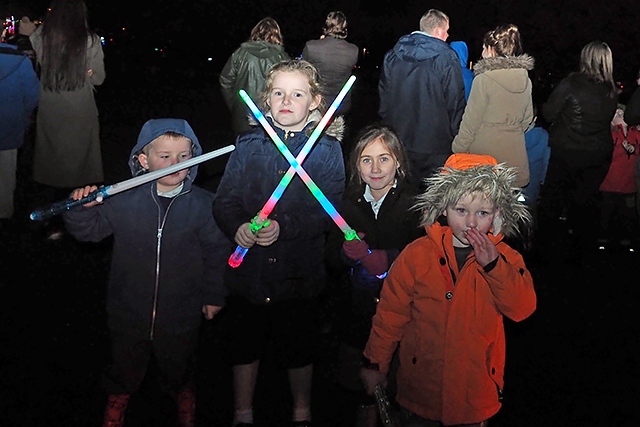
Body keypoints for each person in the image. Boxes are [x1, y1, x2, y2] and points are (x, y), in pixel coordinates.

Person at [62, 118, 231, 427]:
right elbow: (90, 232)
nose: (175, 163)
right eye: (164, 156)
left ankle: (182, 393)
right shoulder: (124, 200)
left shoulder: (206, 206)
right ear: (143, 160)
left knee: (178, 361)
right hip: (128, 306)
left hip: (182, 309)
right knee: (125, 361)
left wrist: (214, 293)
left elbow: (217, 253)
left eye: (183, 156)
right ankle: (119, 396)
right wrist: (79, 211)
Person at [213, 59, 345, 427]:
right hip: (249, 271)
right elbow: (224, 200)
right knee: (244, 344)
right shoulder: (248, 144)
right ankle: (242, 411)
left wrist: (284, 226)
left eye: (297, 93)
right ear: (266, 100)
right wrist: (238, 226)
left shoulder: (327, 151)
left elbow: (329, 210)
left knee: (299, 346)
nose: (287, 100)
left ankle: (302, 410)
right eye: (278, 93)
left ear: (315, 101)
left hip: (298, 272)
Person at [359, 153, 536, 427]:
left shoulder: (507, 259)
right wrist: (375, 364)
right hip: (420, 393)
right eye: (461, 210)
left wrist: (495, 268)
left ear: (497, 213)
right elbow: (390, 315)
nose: (472, 223)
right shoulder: (416, 255)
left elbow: (522, 309)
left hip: (473, 396)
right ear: (443, 208)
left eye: (483, 213)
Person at [324, 124, 425, 427]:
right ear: (356, 165)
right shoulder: (345, 203)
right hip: (356, 314)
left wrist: (392, 258)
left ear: (399, 163)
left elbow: (425, 253)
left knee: (400, 388)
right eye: (367, 160)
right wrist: (345, 254)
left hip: (402, 317)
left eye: (384, 158)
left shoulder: (415, 203)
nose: (376, 167)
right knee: (360, 391)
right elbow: (329, 257)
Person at [29, 0, 106, 240]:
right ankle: (78, 220)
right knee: (79, 167)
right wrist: (88, 73)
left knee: (54, 165)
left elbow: (36, 44)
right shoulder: (89, 40)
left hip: (51, 107)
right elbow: (99, 79)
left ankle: (52, 221)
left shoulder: (43, 37)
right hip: (79, 109)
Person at [539, 41, 618, 254]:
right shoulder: (611, 90)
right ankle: (582, 256)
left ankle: (546, 254)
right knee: (585, 206)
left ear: (585, 58)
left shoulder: (572, 83)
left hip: (568, 152)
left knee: (552, 203)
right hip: (598, 156)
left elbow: (548, 113)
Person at [378, 8, 466, 188]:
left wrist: (388, 130)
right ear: (438, 31)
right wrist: (455, 135)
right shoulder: (447, 57)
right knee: (432, 200)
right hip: (435, 145)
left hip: (399, 139)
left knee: (403, 196)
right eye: (447, 31)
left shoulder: (393, 55)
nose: (448, 36)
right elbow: (455, 102)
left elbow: (384, 98)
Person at [452, 23, 534, 188]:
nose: (482, 53)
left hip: (484, 157)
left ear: (491, 50)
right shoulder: (525, 79)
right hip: (514, 157)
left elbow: (471, 121)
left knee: (481, 207)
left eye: (484, 48)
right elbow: (527, 121)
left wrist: (458, 147)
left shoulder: (484, 79)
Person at [219, 17, 290, 136]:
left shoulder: (240, 53)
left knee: (244, 148)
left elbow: (225, 80)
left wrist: (235, 104)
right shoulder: (282, 57)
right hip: (272, 114)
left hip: (243, 114)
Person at [301, 11, 359, 155]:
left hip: (316, 105)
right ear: (345, 27)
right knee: (335, 145)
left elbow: (302, 70)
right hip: (340, 106)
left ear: (326, 25)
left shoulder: (312, 46)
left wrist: (321, 41)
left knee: (310, 144)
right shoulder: (354, 50)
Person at [0, 39, 40, 234]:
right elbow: (33, 95)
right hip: (10, 126)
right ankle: (4, 215)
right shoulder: (20, 60)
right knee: (7, 174)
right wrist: (22, 117)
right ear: (4, 31)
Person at [598, 104, 640, 248]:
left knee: (628, 213)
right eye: (617, 114)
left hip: (629, 182)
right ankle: (604, 237)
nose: (620, 115)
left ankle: (628, 238)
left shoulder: (636, 133)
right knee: (607, 212)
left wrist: (633, 149)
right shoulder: (609, 134)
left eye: (622, 113)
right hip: (610, 182)